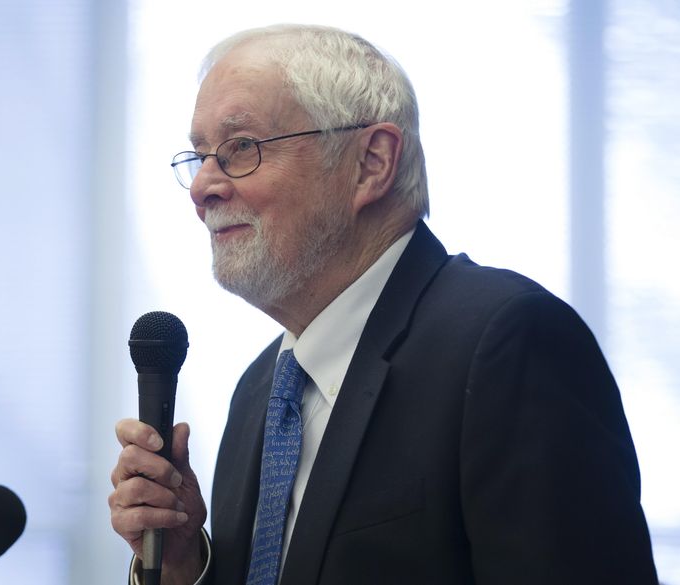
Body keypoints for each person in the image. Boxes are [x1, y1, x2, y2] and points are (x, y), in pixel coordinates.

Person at [108, 24, 659, 585]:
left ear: (371, 163)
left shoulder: (509, 340)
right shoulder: (259, 391)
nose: (203, 186)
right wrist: (183, 564)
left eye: (240, 148)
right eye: (198, 157)